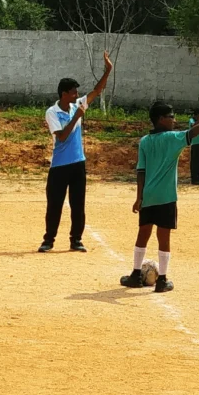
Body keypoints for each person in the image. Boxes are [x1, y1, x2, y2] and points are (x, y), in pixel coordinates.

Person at [120, 101, 199, 293]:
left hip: (148, 195)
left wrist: (139, 197)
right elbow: (197, 131)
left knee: (143, 234)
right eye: (171, 116)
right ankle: (162, 279)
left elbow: (141, 171)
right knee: (164, 237)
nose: (174, 120)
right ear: (161, 119)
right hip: (166, 196)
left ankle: (135, 274)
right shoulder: (173, 138)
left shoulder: (145, 141)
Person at [38, 51, 113, 253]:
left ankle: (76, 240)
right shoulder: (52, 112)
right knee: (55, 204)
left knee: (78, 204)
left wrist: (108, 70)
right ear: (63, 94)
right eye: (72, 93)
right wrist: (77, 116)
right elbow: (61, 136)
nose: (75, 96)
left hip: (78, 163)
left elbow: (97, 90)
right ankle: (49, 240)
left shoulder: (77, 105)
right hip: (60, 165)